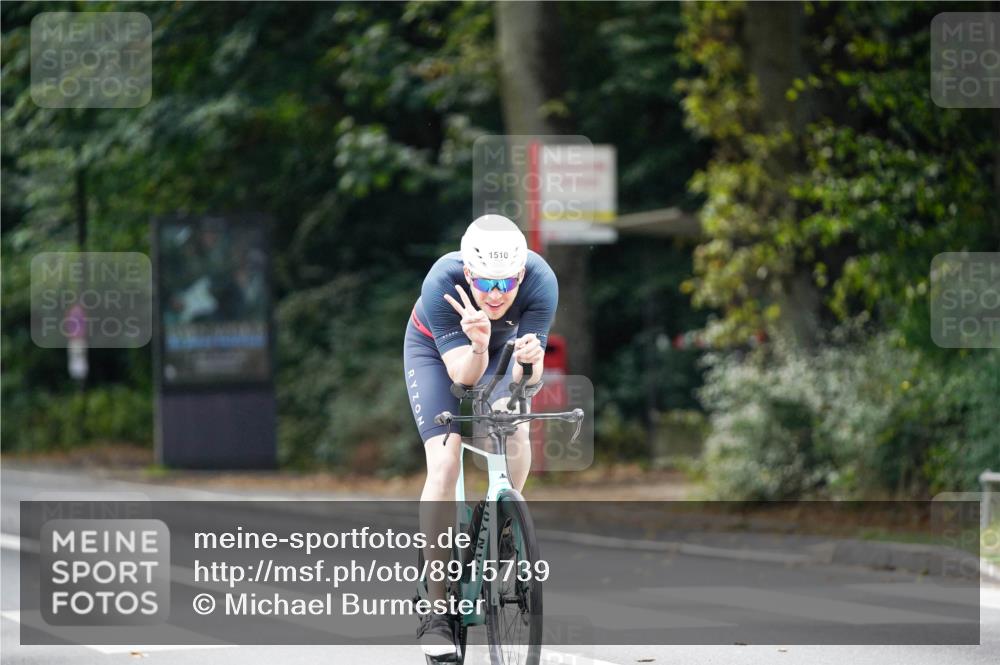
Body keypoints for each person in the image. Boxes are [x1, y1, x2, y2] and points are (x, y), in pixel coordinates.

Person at [403, 214, 558, 657]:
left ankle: (506, 524)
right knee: (445, 459)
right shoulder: (443, 282)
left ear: (521, 275)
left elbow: (528, 380)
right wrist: (475, 344)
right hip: (441, 354)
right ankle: (437, 609)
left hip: (501, 350)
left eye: (505, 283)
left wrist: (528, 365)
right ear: (468, 274)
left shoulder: (541, 281)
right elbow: (462, 378)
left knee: (514, 425)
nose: (494, 294)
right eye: (485, 283)